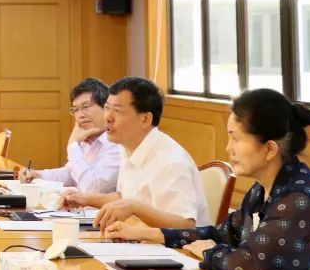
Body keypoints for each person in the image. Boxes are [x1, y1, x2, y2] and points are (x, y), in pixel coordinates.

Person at [106, 89, 310, 270]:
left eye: (236, 138)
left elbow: (249, 264)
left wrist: (209, 252)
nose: (228, 148)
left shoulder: (297, 200)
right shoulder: (262, 189)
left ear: (269, 149)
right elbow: (222, 233)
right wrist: (149, 234)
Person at [66, 76, 211, 229]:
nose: (108, 117)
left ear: (145, 119)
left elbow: (186, 225)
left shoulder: (172, 161)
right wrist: (86, 199)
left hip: (174, 244)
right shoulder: (128, 147)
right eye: (107, 108)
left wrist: (135, 208)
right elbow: (124, 197)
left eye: (117, 111)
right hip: (136, 238)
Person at [16, 77, 123, 193]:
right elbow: (70, 173)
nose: (80, 115)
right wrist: (39, 175)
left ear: (106, 108)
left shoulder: (118, 143)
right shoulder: (88, 138)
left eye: (85, 107)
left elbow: (93, 188)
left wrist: (73, 146)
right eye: (75, 110)